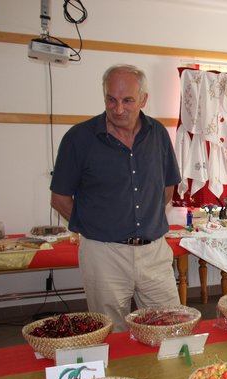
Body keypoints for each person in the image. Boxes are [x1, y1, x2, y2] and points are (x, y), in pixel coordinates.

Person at [50, 64, 182, 331]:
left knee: (171, 326)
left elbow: (168, 188)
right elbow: (60, 198)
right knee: (111, 333)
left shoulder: (157, 134)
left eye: (128, 100)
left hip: (154, 252)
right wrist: (95, 227)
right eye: (111, 99)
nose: (118, 108)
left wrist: (145, 221)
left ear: (143, 99)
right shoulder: (78, 138)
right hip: (103, 255)